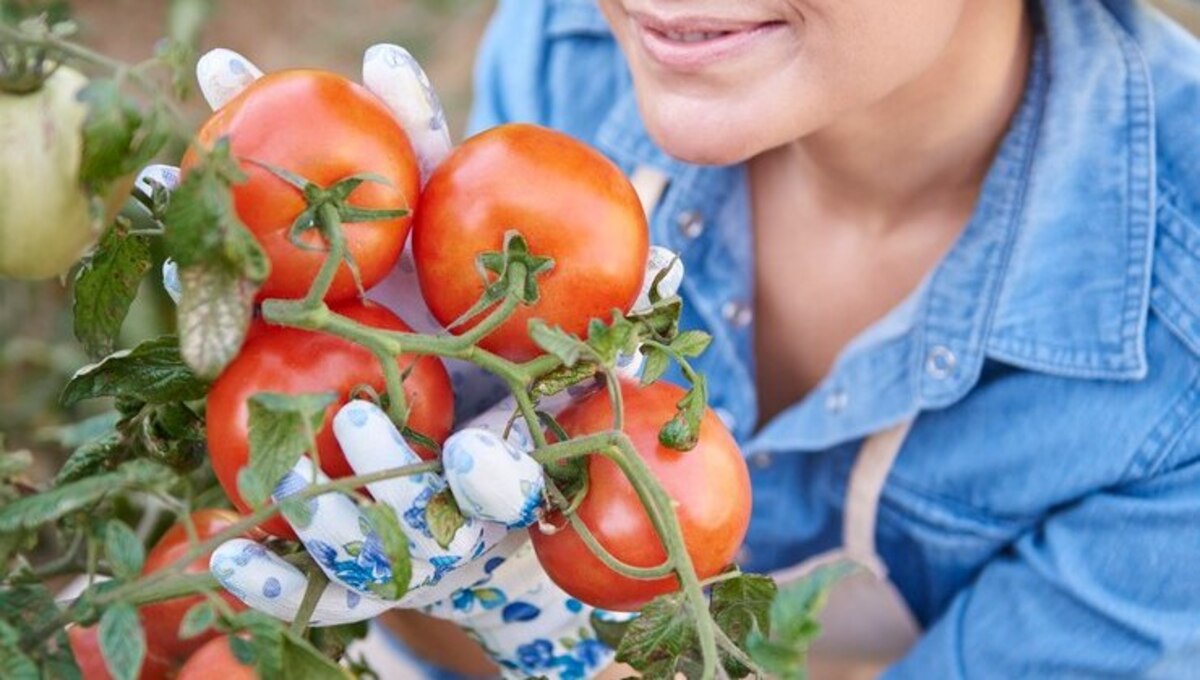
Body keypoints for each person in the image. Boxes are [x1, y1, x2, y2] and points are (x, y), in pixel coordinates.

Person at [199, 0, 1200, 677]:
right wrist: (459, 583)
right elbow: (438, 618)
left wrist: (572, 649)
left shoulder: (1177, 352)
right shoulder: (568, 58)